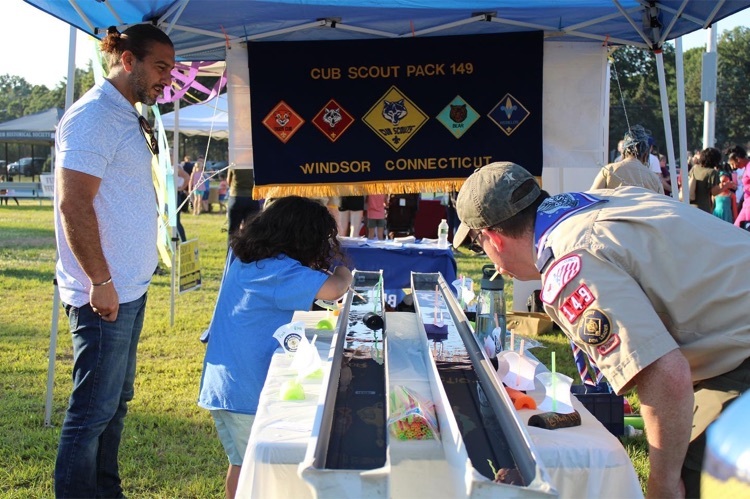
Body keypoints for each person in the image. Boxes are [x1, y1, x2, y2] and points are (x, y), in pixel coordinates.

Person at [452, 161, 750, 499]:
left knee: (697, 476)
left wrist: (663, 484)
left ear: (493, 239)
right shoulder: (596, 204)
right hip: (735, 335)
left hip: (741, 354)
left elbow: (665, 375)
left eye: (479, 245)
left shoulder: (570, 262)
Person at [53, 24, 174, 498]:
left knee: (114, 404)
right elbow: (73, 204)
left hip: (129, 287)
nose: (169, 78)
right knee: (91, 412)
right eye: (161, 67)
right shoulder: (94, 117)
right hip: (103, 292)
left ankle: (106, 491)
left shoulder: (126, 114)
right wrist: (99, 280)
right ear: (129, 61)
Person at [198, 196, 352, 499]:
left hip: (224, 385)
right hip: (247, 390)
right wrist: (344, 271)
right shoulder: (280, 271)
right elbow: (334, 289)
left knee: (242, 464)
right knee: (256, 470)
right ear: (303, 239)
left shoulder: (244, 257)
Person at [590, 124, 664, 194]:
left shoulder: (609, 170)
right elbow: (663, 204)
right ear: (645, 155)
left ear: (623, 152)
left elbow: (591, 197)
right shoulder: (654, 179)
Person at [688, 147, 728, 213]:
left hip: (690, 205)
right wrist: (726, 186)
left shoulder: (694, 168)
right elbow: (714, 192)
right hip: (703, 207)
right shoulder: (712, 172)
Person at [226, 166, 261, 238]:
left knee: (233, 230)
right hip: (252, 198)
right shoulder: (254, 164)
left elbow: (228, 181)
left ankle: (232, 248)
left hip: (236, 197)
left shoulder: (234, 164)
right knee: (251, 230)